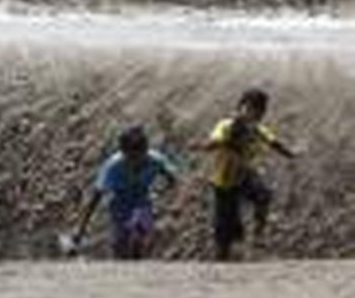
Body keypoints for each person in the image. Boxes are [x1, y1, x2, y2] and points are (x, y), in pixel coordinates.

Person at [199, 88, 295, 261]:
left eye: (259, 110)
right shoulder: (226, 125)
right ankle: (224, 258)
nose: (254, 114)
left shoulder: (257, 129)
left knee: (263, 195)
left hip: (243, 176)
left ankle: (258, 234)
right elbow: (215, 140)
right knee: (227, 233)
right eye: (250, 109)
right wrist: (207, 145)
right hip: (223, 183)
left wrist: (290, 153)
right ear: (241, 107)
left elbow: (273, 142)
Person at [73, 125, 178, 260]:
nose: (135, 161)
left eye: (139, 155)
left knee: (139, 237)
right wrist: (81, 228)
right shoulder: (113, 167)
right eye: (130, 156)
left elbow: (173, 177)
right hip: (120, 206)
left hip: (142, 202)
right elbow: (95, 197)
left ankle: (139, 263)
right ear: (123, 152)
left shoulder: (154, 160)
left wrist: (167, 191)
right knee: (121, 245)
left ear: (145, 150)